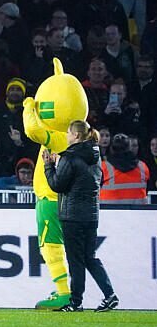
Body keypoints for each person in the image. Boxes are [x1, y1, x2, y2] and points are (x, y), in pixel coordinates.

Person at [43, 121, 119, 312]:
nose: (67, 136)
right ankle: (110, 295)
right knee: (90, 258)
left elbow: (57, 185)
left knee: (76, 261)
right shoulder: (95, 156)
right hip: (91, 215)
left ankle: (76, 302)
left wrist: (49, 166)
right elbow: (95, 181)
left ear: (76, 135)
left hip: (72, 216)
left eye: (69, 133)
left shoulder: (69, 157)